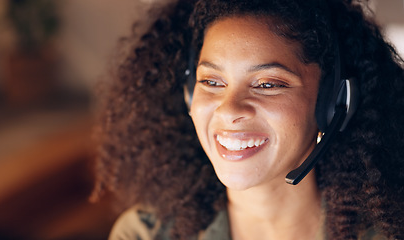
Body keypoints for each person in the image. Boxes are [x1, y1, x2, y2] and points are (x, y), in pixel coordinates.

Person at [94, 0, 404, 239]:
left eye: (267, 84)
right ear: (189, 96)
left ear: (334, 104)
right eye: (211, 82)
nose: (229, 110)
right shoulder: (144, 233)